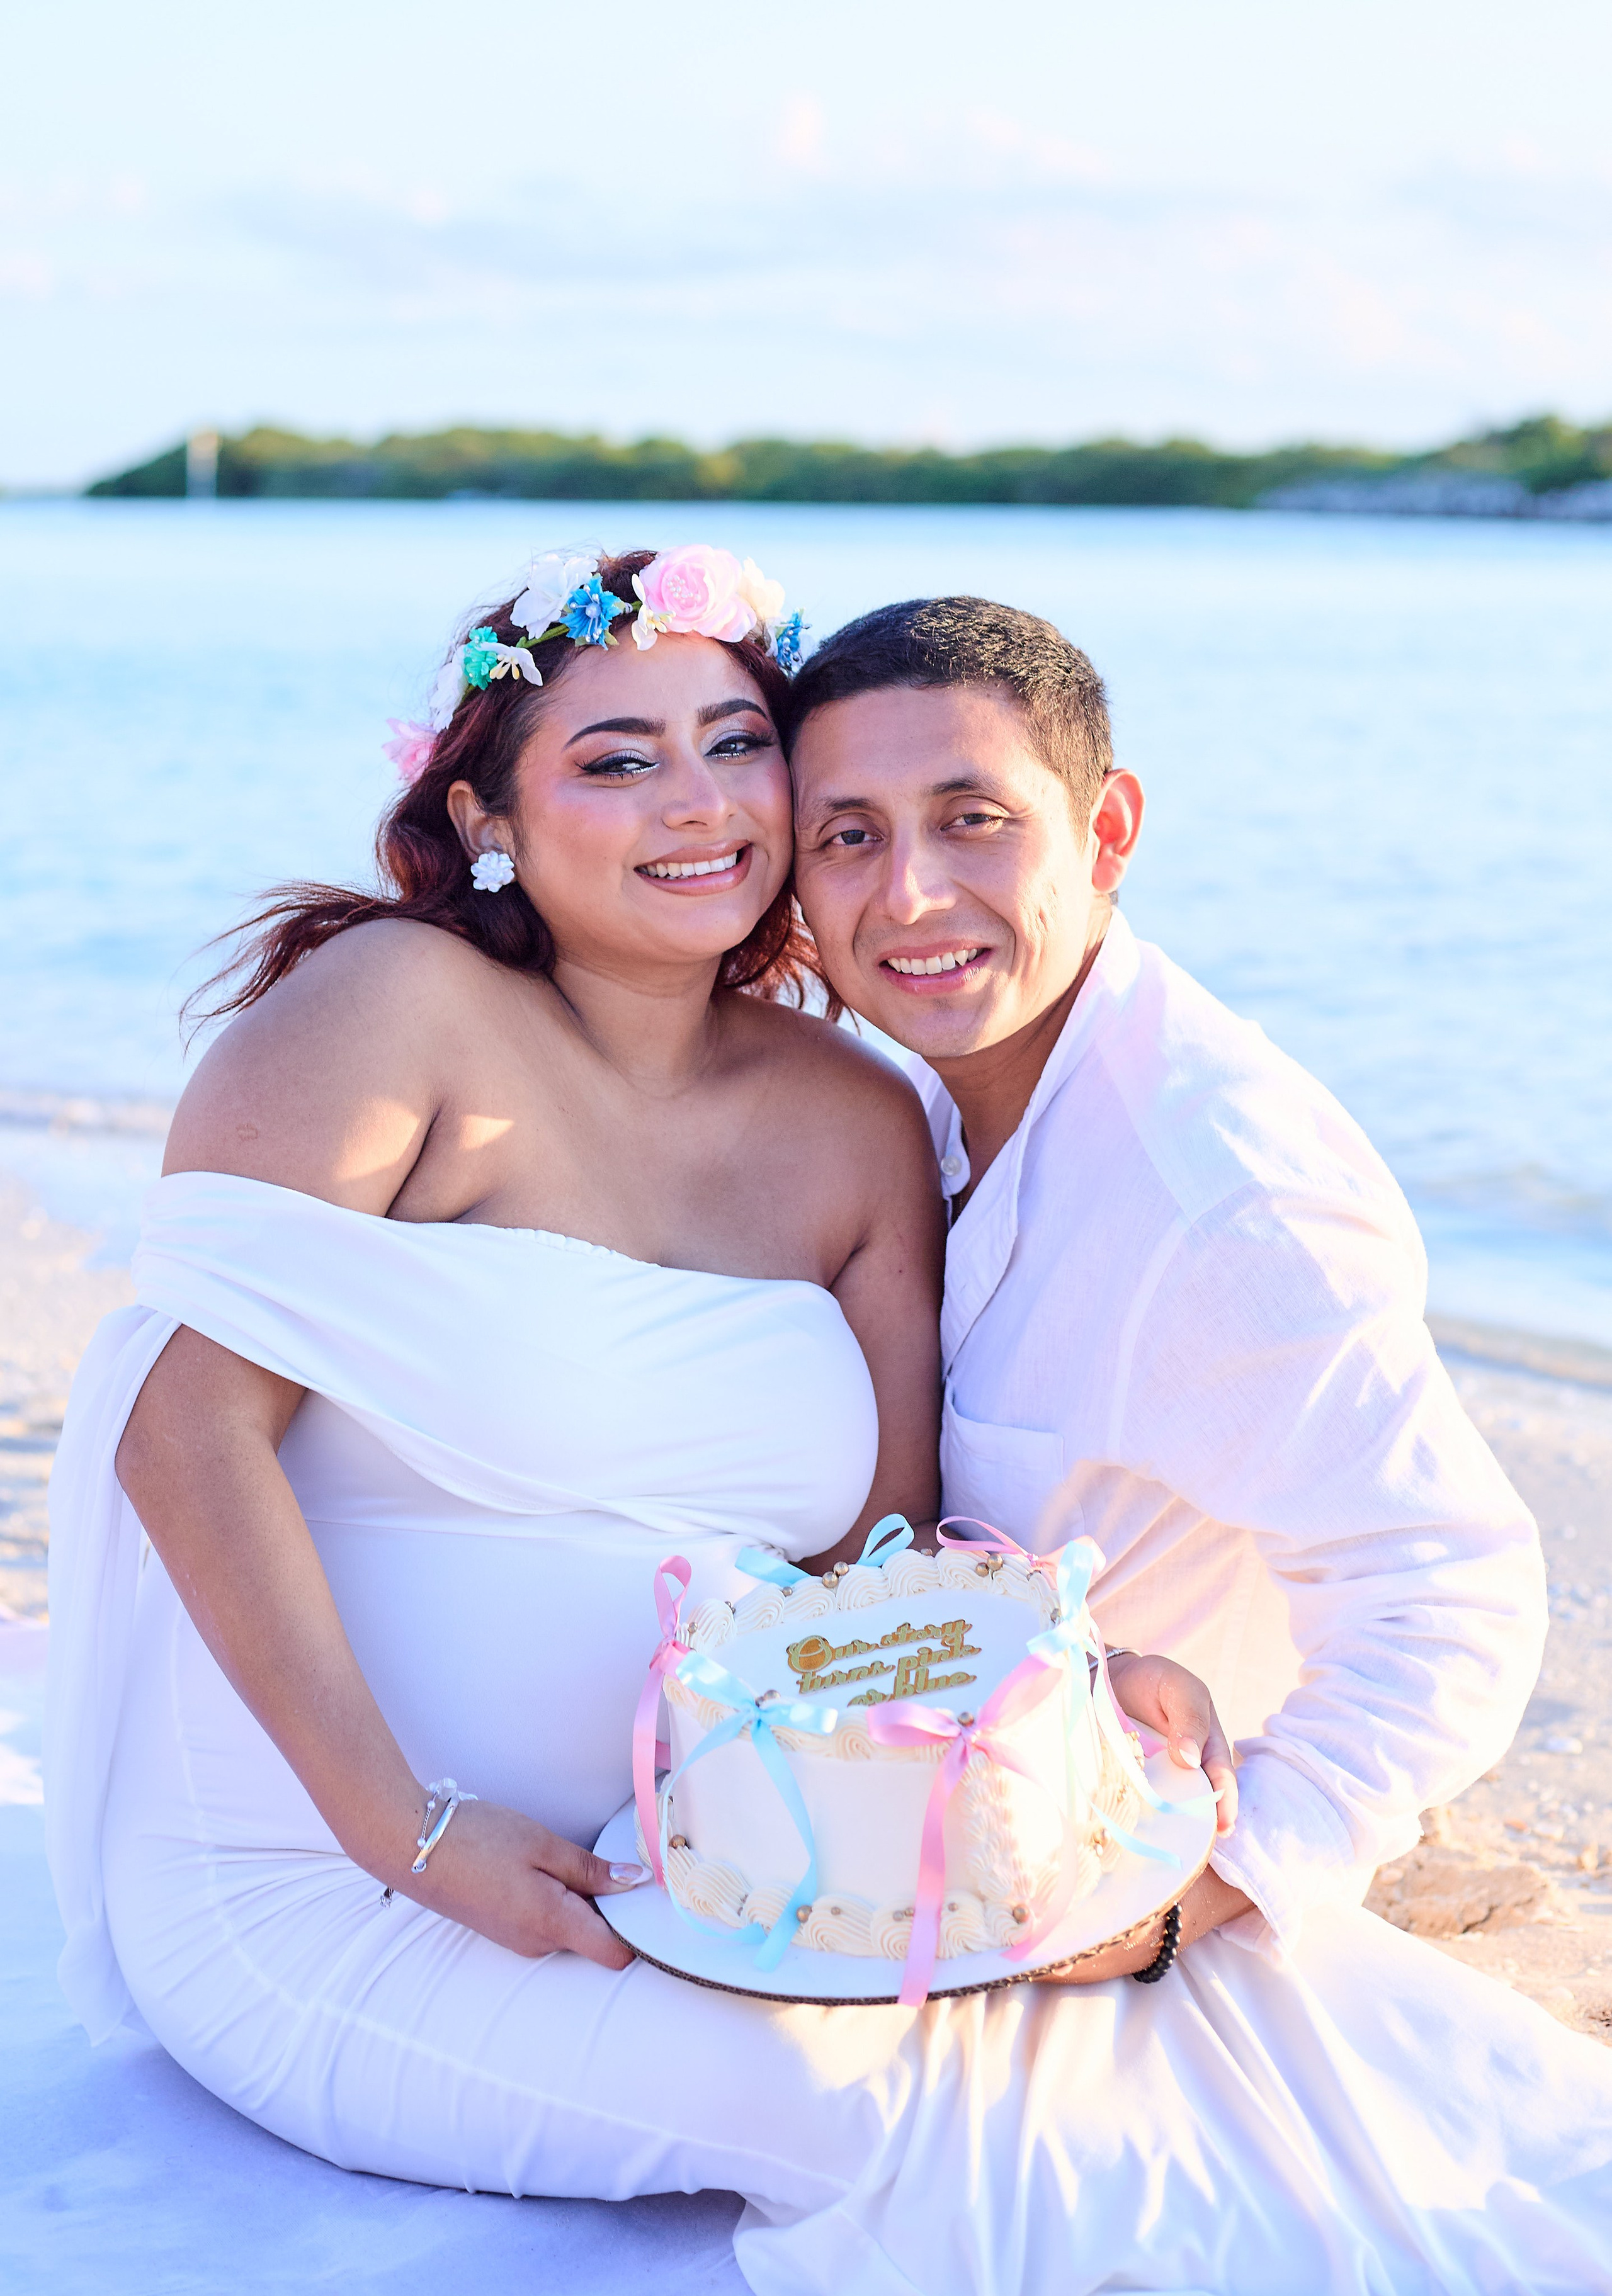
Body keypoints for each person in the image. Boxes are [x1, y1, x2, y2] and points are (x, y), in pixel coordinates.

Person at [43, 547, 1612, 2296]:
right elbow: (180, 1436)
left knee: (1089, 2071)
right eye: (617, 757)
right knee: (872, 2118)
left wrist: (1065, 1670)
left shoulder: (866, 1119)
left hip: (721, 1863)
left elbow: (869, 1564)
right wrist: (401, 1828)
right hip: (326, 1871)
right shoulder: (389, 1021)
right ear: (486, 807)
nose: (701, 800)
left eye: (735, 744)